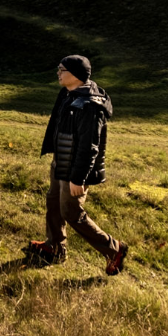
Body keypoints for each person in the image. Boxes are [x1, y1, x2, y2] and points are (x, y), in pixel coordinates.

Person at [24, 54, 129, 275]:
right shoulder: (68, 93)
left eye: (62, 69)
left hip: (75, 169)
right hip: (61, 160)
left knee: (70, 211)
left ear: (77, 75)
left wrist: (78, 177)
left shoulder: (90, 105)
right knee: (53, 203)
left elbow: (90, 146)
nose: (58, 73)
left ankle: (114, 249)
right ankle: (54, 248)